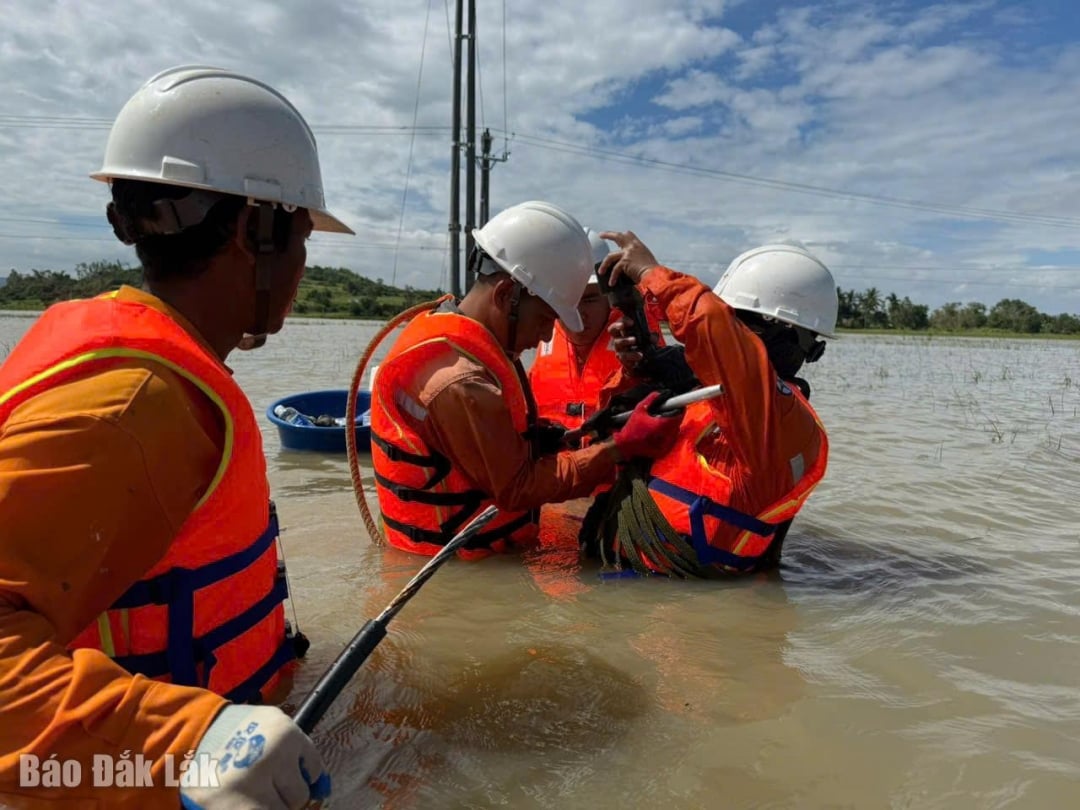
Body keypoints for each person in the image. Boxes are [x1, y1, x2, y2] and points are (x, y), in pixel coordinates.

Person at [0, 66, 350, 809]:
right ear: (257, 232)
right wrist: (186, 742)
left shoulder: (158, 373)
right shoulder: (133, 404)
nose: (302, 268)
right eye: (302, 239)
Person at [370, 202, 682, 559]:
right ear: (506, 295)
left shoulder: (476, 345)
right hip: (462, 575)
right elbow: (518, 487)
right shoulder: (460, 383)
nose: (548, 333)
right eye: (545, 317)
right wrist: (620, 448)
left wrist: (544, 438)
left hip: (480, 560)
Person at [582, 233, 838, 577]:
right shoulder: (712, 392)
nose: (729, 330)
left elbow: (721, 340)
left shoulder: (779, 422)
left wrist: (651, 273)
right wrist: (638, 368)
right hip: (616, 581)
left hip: (667, 609)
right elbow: (609, 429)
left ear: (787, 336)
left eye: (738, 322)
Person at [528, 228, 665, 433]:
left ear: (609, 298)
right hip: (555, 461)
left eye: (589, 300)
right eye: (567, 300)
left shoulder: (637, 337)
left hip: (613, 459)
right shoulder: (543, 331)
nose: (577, 313)